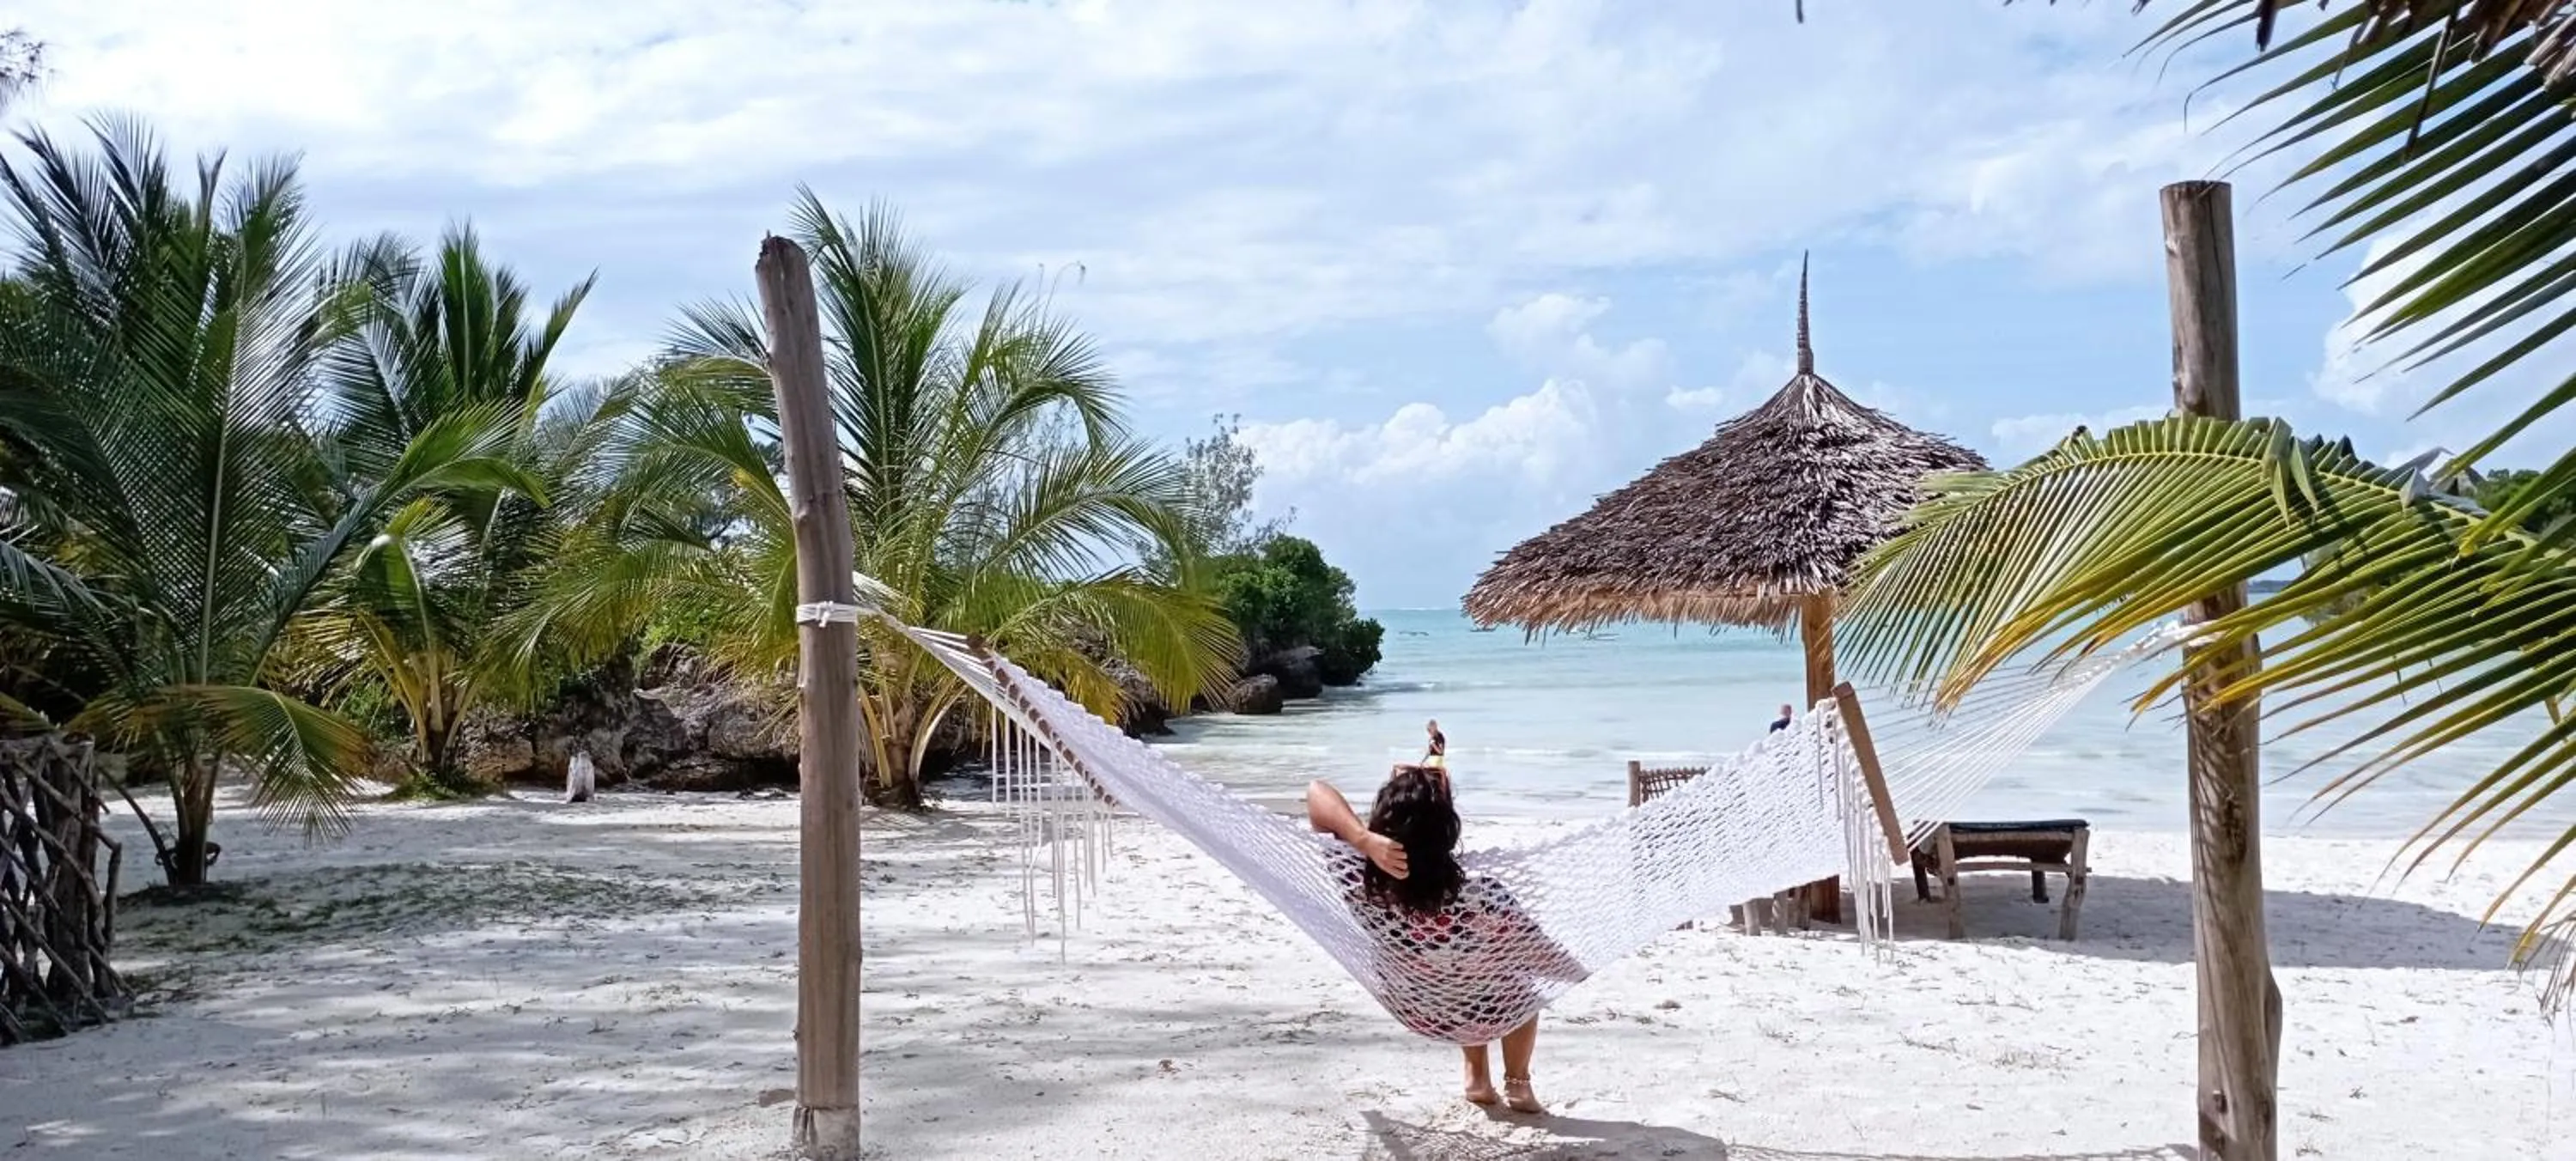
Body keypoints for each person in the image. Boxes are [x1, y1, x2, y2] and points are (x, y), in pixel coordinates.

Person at [1306, 765, 1583, 1114]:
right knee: (1516, 984)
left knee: (1461, 972)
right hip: (1487, 1010)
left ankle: (1476, 1077)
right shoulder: (1482, 895)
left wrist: (1363, 840)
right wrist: (1583, 969)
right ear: (1448, 834)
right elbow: (1540, 955)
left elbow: (1316, 792)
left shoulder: (1359, 882)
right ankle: (1518, 1085)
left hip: (1416, 1008)